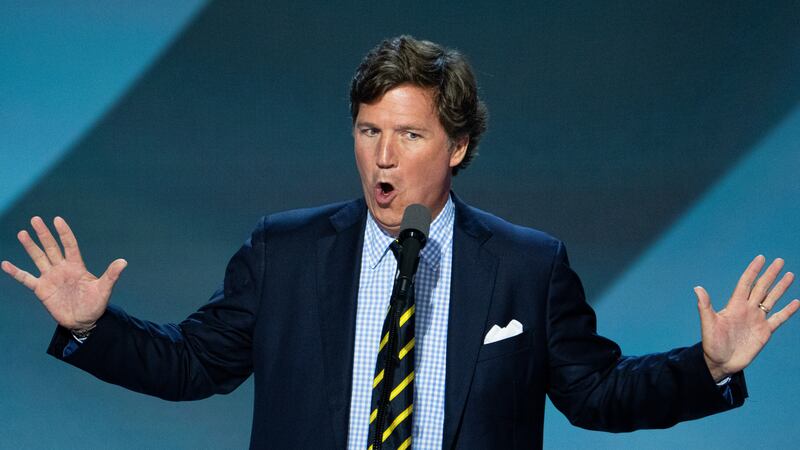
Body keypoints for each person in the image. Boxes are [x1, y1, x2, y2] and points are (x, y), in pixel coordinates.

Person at [2, 36, 798, 449]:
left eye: (409, 134)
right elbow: (193, 364)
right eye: (368, 130)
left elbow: (596, 396)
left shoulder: (527, 265)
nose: (382, 155)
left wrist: (708, 369)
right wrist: (89, 327)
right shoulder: (285, 250)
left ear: (455, 147)